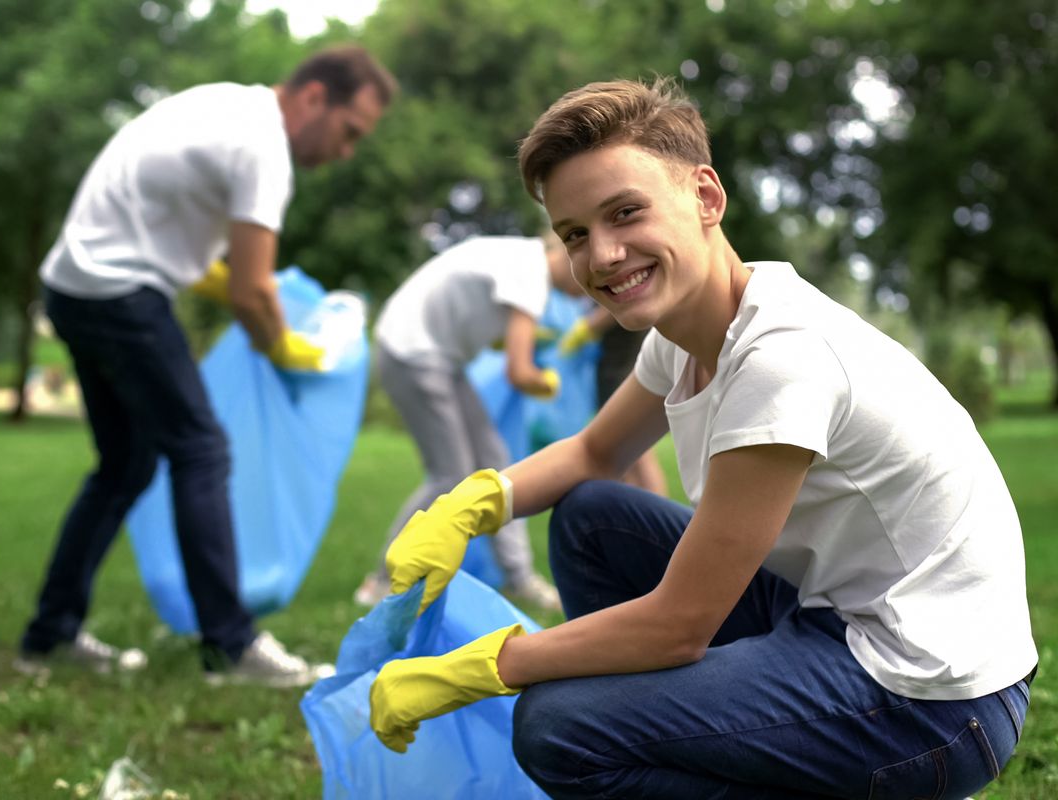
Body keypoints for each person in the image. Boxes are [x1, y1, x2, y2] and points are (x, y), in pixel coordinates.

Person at [367, 77, 1037, 797]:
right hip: (831, 615)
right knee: (593, 518)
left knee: (559, 727)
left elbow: (680, 626)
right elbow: (596, 452)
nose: (603, 255)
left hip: (929, 700)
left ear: (706, 198)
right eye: (576, 236)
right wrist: (472, 506)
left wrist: (480, 666)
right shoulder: (690, 332)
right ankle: (666, 726)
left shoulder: (782, 358)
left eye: (625, 213)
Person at [15, 46, 397, 686]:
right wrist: (285, 349)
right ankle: (231, 645)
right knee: (201, 450)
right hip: (118, 291)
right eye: (349, 132)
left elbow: (206, 265)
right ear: (312, 99)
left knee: (126, 465)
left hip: (74, 287)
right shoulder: (263, 149)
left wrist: (255, 309)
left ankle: (49, 634)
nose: (345, 151)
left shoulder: (227, 105)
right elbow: (251, 290)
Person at [352, 233, 579, 612]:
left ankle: (518, 577)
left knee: (499, 466)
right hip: (413, 352)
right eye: (587, 282)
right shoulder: (531, 273)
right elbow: (520, 373)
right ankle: (382, 581)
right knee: (449, 475)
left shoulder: (521, 255)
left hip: (435, 355)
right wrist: (548, 382)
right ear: (569, 254)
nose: (586, 294)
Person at [559, 306, 669, 494]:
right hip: (612, 368)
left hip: (623, 367)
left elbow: (620, 303)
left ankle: (656, 513)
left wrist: (588, 327)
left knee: (637, 452)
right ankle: (638, 513)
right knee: (622, 454)